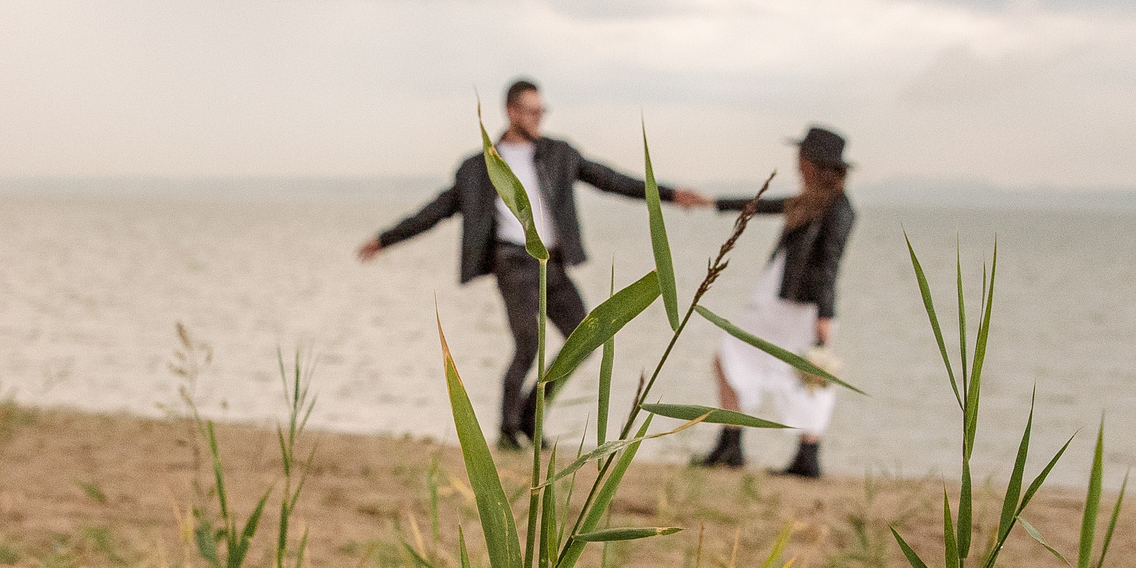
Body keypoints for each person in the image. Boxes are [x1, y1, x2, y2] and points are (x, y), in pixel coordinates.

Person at [359, 80, 709, 449]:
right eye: (532, 110)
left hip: (553, 264)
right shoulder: (480, 167)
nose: (539, 117)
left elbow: (611, 180)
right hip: (513, 262)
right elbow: (436, 210)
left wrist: (669, 195)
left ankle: (530, 415)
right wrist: (385, 239)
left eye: (543, 110)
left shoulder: (560, 154)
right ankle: (508, 430)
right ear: (512, 112)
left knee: (586, 335)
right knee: (528, 344)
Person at [694, 126, 855, 479]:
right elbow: (760, 204)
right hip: (779, 300)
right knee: (731, 357)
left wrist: (825, 315)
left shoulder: (838, 208)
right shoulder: (808, 200)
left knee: (809, 374)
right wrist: (711, 202)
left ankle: (802, 455)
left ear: (815, 164)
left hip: (802, 306)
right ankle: (735, 442)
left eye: (802, 158)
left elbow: (830, 263)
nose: (797, 164)